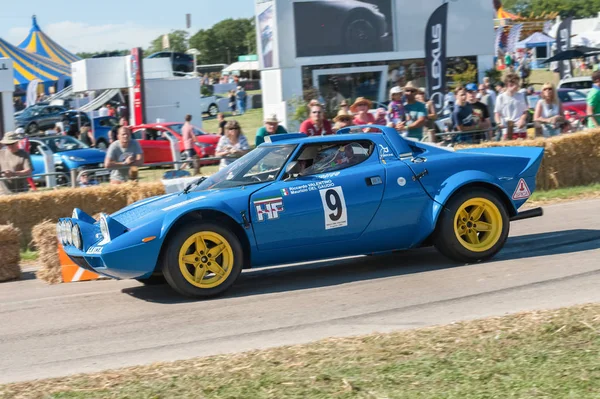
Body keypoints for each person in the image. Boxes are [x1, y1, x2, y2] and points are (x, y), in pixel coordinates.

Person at [494, 73, 529, 140]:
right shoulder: (500, 97)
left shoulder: (521, 96)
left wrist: (522, 120)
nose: (516, 86)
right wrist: (499, 123)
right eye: (513, 84)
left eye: (517, 84)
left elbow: (525, 111)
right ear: (508, 84)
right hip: (507, 131)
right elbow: (497, 113)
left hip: (520, 130)